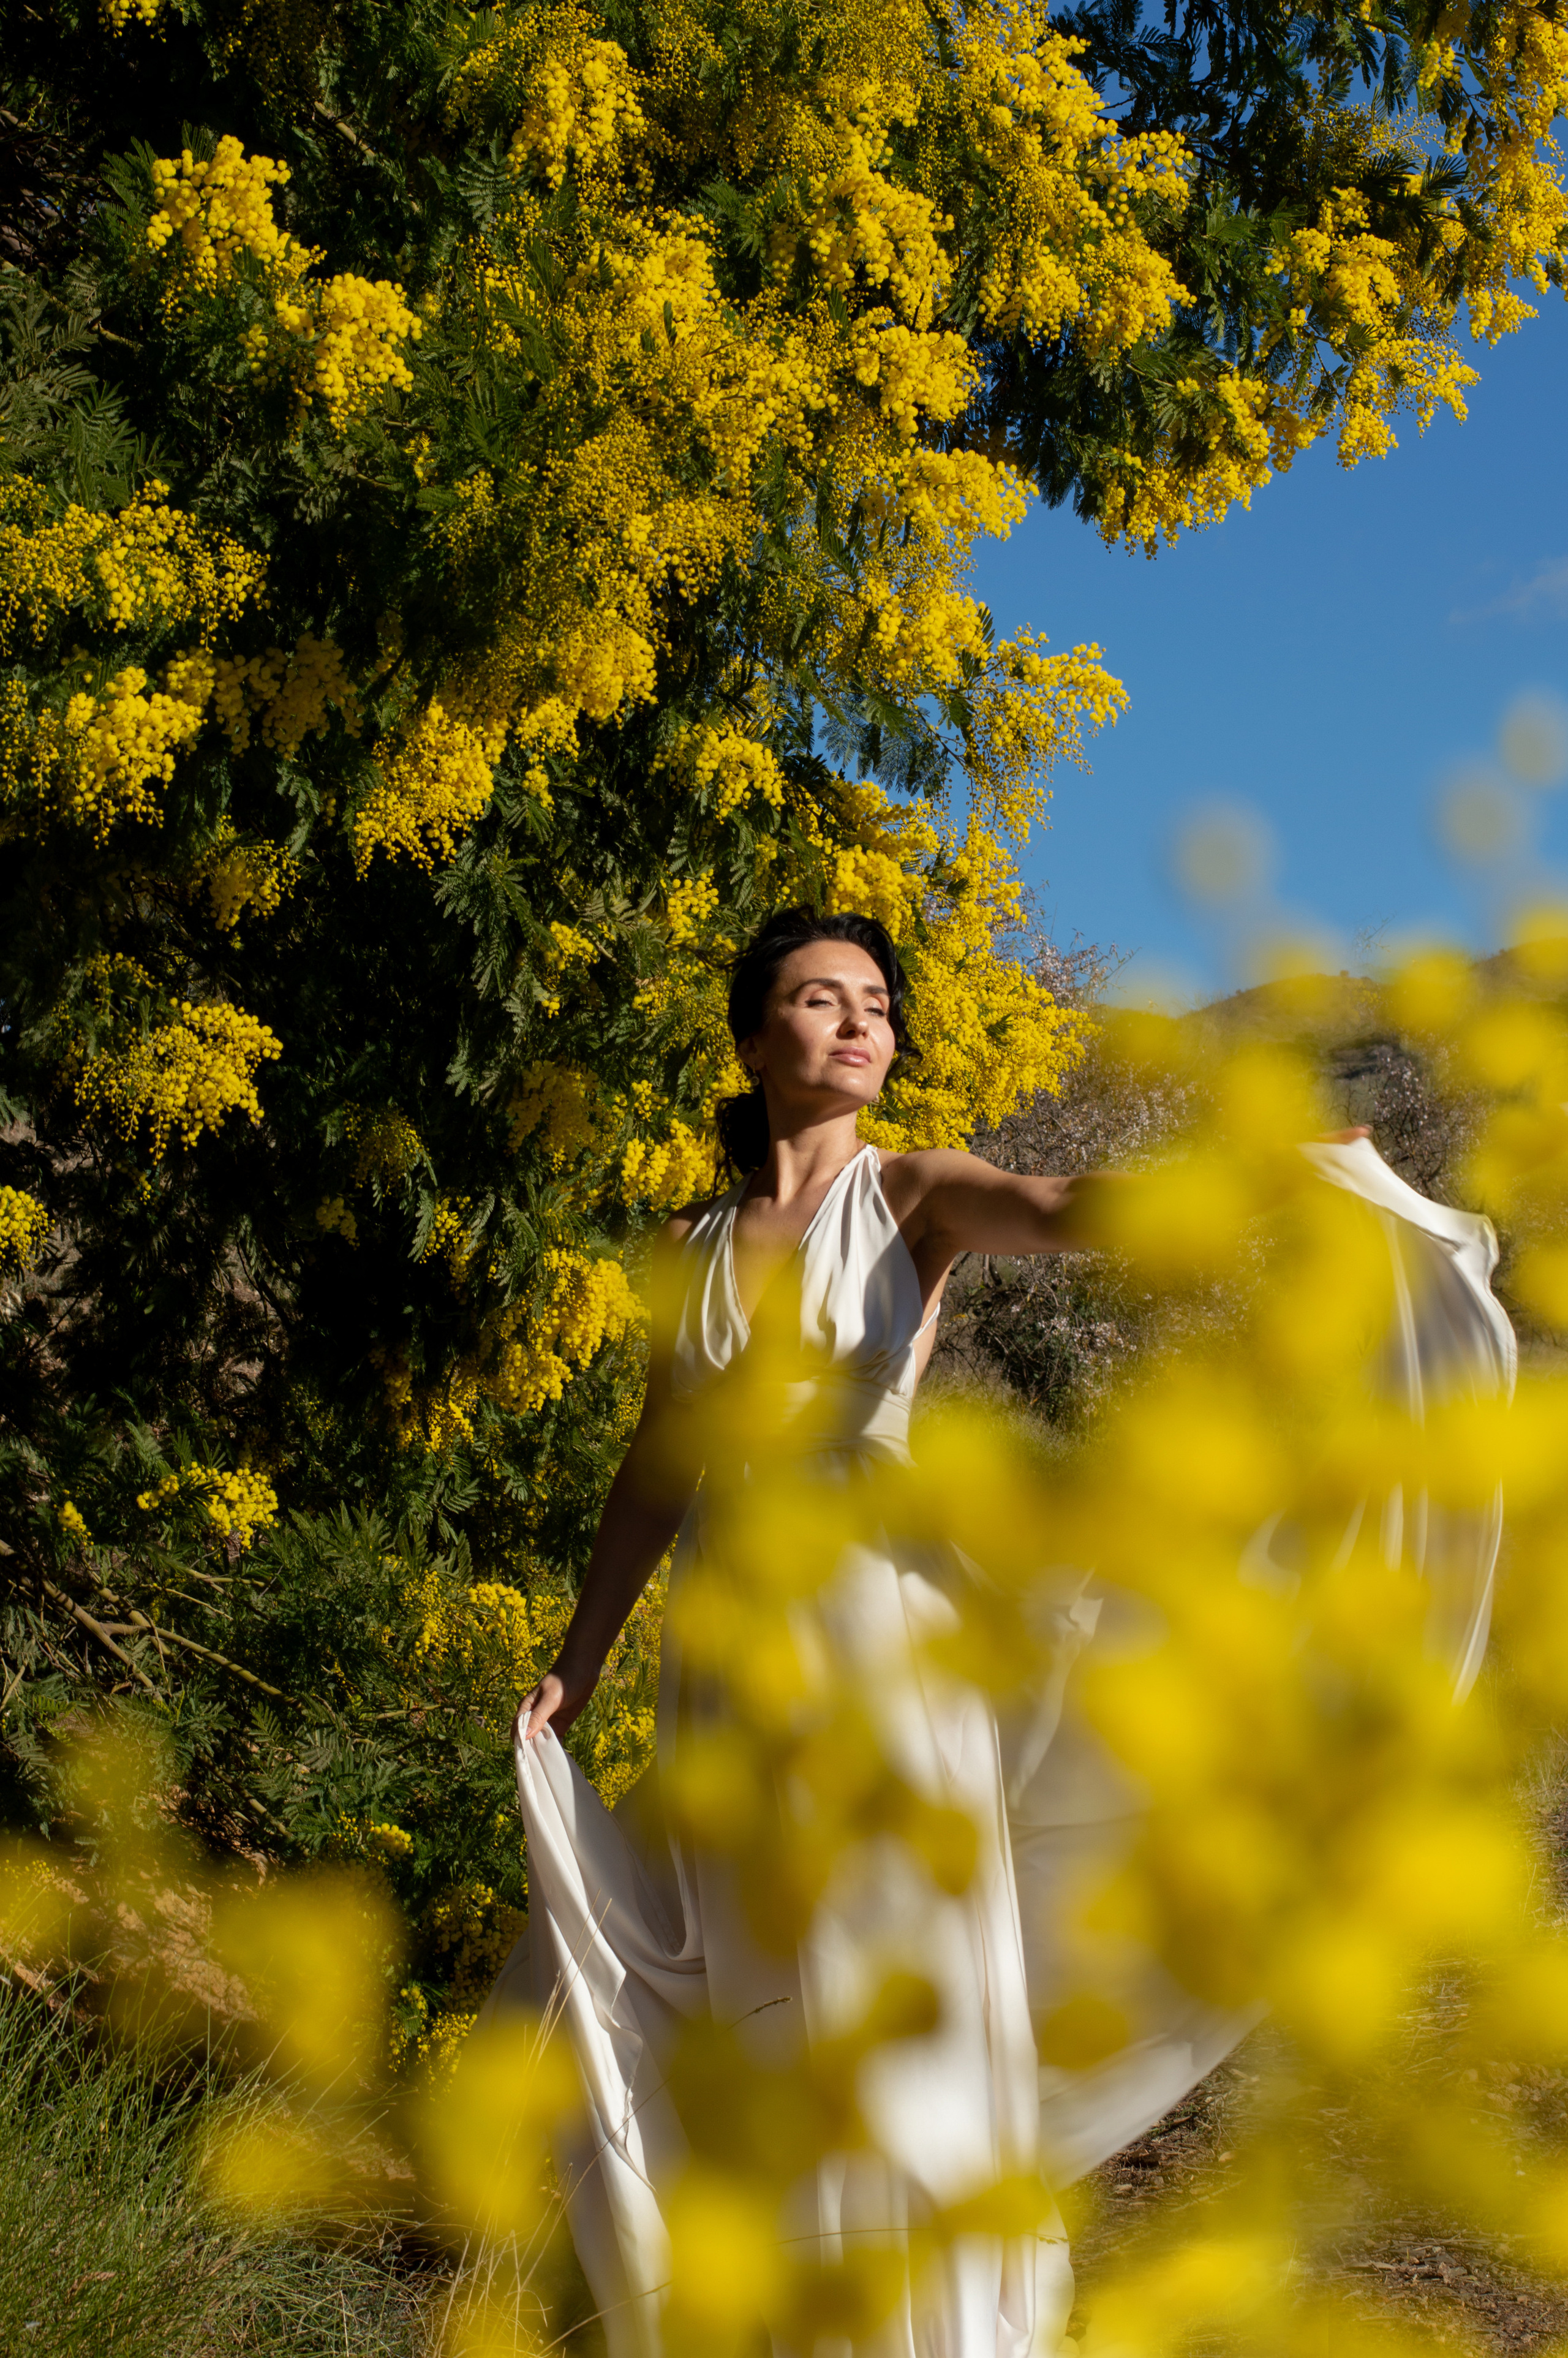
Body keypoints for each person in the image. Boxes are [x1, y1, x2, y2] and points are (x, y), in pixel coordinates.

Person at [491, 907, 1514, 2358]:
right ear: (750, 1037)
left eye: (877, 1003)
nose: (859, 1022)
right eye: (819, 998)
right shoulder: (691, 1243)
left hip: (880, 1639)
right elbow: (659, 1461)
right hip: (721, 1654)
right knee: (742, 1964)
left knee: (874, 1967)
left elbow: (1057, 1206)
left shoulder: (914, 1190)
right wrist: (581, 1653)